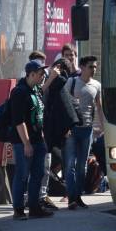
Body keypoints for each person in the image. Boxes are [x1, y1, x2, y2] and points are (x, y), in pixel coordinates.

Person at [9, 60, 54, 220]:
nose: (43, 76)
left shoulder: (36, 90)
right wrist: (26, 143)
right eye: (41, 73)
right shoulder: (19, 92)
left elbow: (39, 116)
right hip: (23, 142)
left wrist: (41, 137)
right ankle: (18, 210)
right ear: (32, 74)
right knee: (22, 175)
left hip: (38, 140)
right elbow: (18, 121)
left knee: (38, 174)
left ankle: (34, 207)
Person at [63, 55, 105, 209]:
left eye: (95, 66)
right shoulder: (71, 82)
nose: (93, 69)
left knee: (83, 167)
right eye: (90, 66)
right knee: (69, 165)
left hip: (87, 130)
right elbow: (64, 106)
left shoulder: (97, 85)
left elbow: (99, 107)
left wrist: (103, 127)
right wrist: (65, 127)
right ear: (82, 67)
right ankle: (72, 198)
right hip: (72, 130)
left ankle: (77, 196)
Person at [40, 58, 80, 207]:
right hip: (38, 131)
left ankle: (43, 196)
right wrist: (50, 79)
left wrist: (66, 127)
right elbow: (37, 95)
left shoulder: (60, 84)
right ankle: (37, 197)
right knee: (41, 166)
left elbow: (64, 107)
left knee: (49, 164)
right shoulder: (44, 80)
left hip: (51, 132)